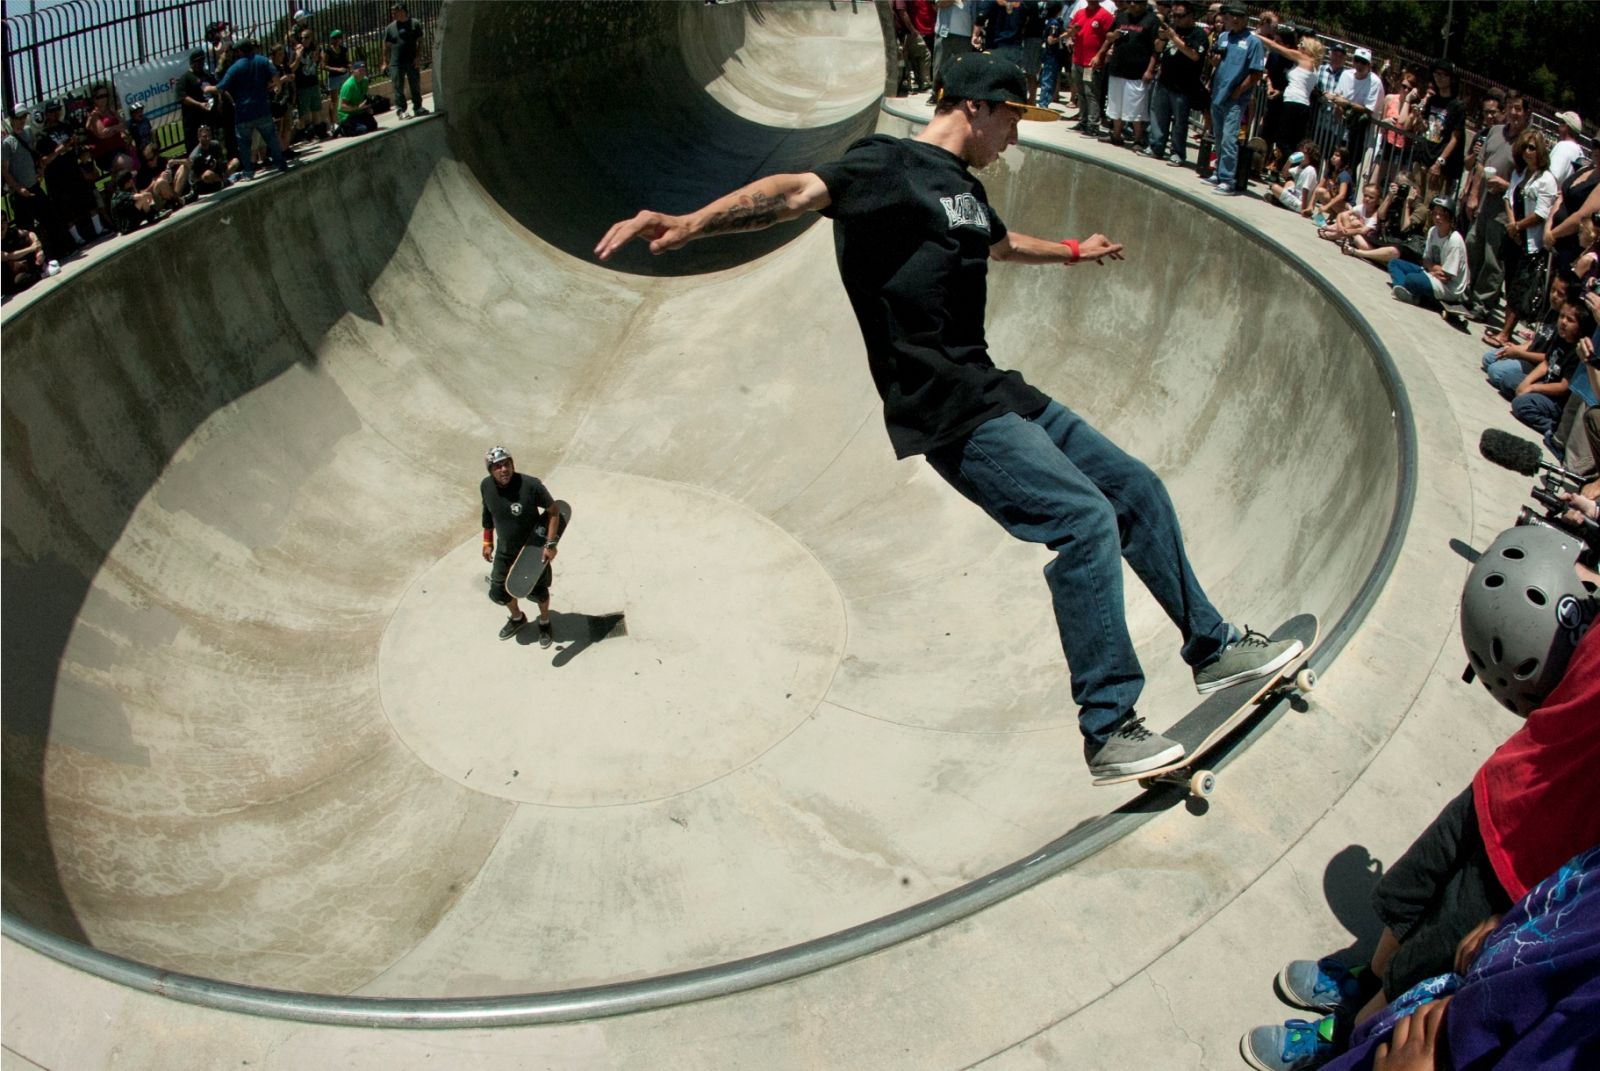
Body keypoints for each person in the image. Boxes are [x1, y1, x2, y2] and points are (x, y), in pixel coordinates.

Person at [595, 52, 1303, 779]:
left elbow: (998, 244)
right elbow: (794, 191)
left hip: (995, 388)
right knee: (1085, 520)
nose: (1014, 142)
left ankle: (1213, 649)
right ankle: (1109, 727)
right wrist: (691, 222)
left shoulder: (961, 190)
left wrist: (1070, 251)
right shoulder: (886, 165)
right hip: (949, 411)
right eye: (1012, 123)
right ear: (976, 108)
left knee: (1136, 488)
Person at [1240, 524, 1599, 1071]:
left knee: (1422, 972)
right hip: (1503, 782)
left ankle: (1347, 1036)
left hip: (1529, 858)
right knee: (1407, 898)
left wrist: (1532, 917)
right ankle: (1363, 980)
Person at [480, 446, 562, 646]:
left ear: (512, 464)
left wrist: (550, 545)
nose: (504, 470)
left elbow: (554, 512)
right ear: (491, 470)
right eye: (498, 467)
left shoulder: (530, 485)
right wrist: (487, 541)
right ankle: (518, 618)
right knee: (499, 590)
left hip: (532, 552)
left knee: (538, 592)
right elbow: (487, 514)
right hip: (505, 551)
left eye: (507, 464)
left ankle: (544, 622)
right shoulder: (486, 486)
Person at [1466, 92, 1529, 330]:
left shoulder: (1526, 141)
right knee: (1473, 245)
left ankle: (1483, 304)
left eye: (1519, 109)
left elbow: (1529, 177)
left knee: (1494, 259)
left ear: (1526, 114)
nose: (1514, 113)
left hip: (1504, 209)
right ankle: (1467, 292)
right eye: (1511, 108)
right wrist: (1473, 195)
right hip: (1483, 202)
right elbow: (1480, 165)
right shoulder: (1495, 132)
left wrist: (1506, 186)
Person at [1497, 128, 1560, 348]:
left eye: (1532, 148)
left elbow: (1542, 213)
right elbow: (1508, 197)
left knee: (1519, 287)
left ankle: (1506, 333)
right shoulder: (1519, 173)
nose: (1527, 152)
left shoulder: (1547, 180)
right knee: (1509, 280)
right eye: (1524, 147)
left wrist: (1519, 226)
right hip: (1513, 235)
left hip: (1529, 241)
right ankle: (1504, 328)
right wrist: (1513, 224)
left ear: (1540, 150)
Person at [1510, 295, 1595, 449]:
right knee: (1509, 380)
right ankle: (1529, 396)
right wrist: (1526, 382)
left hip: (1556, 400)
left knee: (1521, 405)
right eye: (1562, 316)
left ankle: (1553, 427)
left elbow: (1563, 387)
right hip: (1546, 383)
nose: (1563, 322)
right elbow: (1547, 362)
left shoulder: (1578, 351)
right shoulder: (1561, 336)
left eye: (1570, 320)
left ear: (1581, 327)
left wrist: (1532, 388)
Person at [1202, 2, 1265, 197]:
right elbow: (1217, 62)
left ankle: (1228, 180)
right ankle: (1219, 173)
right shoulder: (1223, 37)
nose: (1235, 19)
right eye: (1232, 16)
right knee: (1219, 136)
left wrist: (1239, 91)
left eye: (1240, 16)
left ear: (1246, 19)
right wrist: (1214, 62)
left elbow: (1256, 73)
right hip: (1218, 94)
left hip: (1235, 99)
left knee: (1230, 138)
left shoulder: (1254, 42)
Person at [1481, 270, 1574, 397]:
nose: (1554, 296)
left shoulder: (1564, 324)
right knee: (1488, 359)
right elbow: (1537, 340)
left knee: (1495, 372)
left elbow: (1548, 358)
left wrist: (1519, 353)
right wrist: (1515, 348)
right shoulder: (1551, 310)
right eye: (1553, 290)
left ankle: (1522, 384)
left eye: (1560, 294)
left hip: (1536, 364)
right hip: (1527, 354)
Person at [210, 38, 291, 180]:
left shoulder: (235, 67)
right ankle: (281, 164)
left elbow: (221, 87)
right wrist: (277, 86)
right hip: (262, 109)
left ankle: (248, 172)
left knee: (244, 143)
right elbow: (275, 74)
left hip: (243, 113)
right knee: (271, 137)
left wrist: (207, 88)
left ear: (240, 51)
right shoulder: (262, 60)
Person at [35, 99, 106, 248]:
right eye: (52, 111)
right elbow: (43, 161)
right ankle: (77, 239)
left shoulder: (66, 127)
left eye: (57, 110)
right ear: (47, 114)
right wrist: (58, 150)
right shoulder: (42, 136)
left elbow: (76, 145)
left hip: (73, 170)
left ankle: (99, 229)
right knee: (66, 210)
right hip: (56, 177)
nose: (56, 114)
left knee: (88, 199)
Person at [1146, 0, 1208, 165]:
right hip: (1164, 80)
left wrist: (1174, 37)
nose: (1176, 19)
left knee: (1180, 123)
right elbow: (1158, 49)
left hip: (1184, 86)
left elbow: (1194, 55)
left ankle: (1177, 153)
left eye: (1180, 16)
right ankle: (1156, 147)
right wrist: (1161, 37)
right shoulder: (1172, 30)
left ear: (1191, 16)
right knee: (1158, 116)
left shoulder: (1199, 34)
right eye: (1174, 15)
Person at [1253, 27, 1322, 172]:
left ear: (1307, 48)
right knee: (1294, 141)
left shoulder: (1303, 58)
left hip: (1293, 103)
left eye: (1301, 45)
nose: (1298, 47)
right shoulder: (1315, 65)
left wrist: (1257, 36)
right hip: (1303, 105)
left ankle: (1297, 167)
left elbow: (1275, 47)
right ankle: (1294, 169)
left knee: (1282, 139)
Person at [1094, 0, 1160, 150]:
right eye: (1129, 1)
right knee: (1115, 104)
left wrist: (1150, 70)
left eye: (1136, 2)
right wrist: (1113, 36)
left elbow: (1155, 49)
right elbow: (1109, 35)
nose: (1132, 4)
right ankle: (1116, 134)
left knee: (1136, 108)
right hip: (1118, 67)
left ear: (1143, 4)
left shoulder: (1151, 20)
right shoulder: (1121, 17)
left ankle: (1138, 139)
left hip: (1138, 71)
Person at [1410, 60, 1466, 213]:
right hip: (1425, 154)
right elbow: (1427, 129)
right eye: (1436, 74)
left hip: (1439, 161)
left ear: (1451, 78)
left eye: (1443, 75)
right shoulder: (1432, 100)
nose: (1439, 78)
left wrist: (1440, 162)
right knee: (1416, 197)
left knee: (1433, 202)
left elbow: (1455, 138)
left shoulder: (1457, 106)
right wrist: (1419, 118)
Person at [3, 104, 58, 252]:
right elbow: (5, 171)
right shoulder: (7, 143)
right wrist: (18, 188)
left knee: (49, 217)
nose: (22, 120)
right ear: (12, 120)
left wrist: (40, 169)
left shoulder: (28, 132)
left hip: (34, 185)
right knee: (26, 229)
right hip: (20, 193)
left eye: (24, 117)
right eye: (19, 118)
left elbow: (34, 153)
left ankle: (57, 250)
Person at [1068, 0, 1115, 135]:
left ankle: (1093, 124)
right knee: (1081, 93)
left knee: (1091, 93)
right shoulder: (1080, 13)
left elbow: (1109, 38)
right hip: (1077, 59)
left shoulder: (1105, 15)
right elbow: (1071, 31)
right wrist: (1072, 33)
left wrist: (1100, 55)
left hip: (1092, 62)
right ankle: (1083, 121)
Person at [383, 2, 428, 120]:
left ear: (403, 11)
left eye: (395, 12)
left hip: (412, 60)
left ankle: (418, 107)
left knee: (415, 84)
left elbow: (420, 41)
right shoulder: (390, 28)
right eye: (392, 13)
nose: (393, 15)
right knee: (398, 86)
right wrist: (384, 62)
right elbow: (386, 46)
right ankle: (401, 110)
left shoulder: (414, 23)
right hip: (396, 62)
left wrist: (418, 56)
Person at [177, 49, 216, 155]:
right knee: (194, 149)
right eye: (197, 62)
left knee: (211, 145)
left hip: (208, 117)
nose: (200, 64)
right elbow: (183, 98)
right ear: (191, 63)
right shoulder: (185, 78)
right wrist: (199, 104)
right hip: (193, 120)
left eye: (202, 61)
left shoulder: (207, 75)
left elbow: (215, 88)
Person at [1, 210, 48, 294]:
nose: (1, 226)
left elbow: (30, 233)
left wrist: (39, 250)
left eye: (3, 221)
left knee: (27, 239)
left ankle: (41, 266)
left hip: (22, 265)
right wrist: (31, 248)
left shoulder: (11, 232)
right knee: (18, 282)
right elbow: (7, 256)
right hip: (7, 276)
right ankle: (40, 273)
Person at [132, 141, 188, 211]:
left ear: (156, 155)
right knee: (160, 182)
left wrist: (175, 161)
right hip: (157, 199)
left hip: (171, 191)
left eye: (151, 159)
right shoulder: (142, 172)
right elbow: (141, 194)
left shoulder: (162, 161)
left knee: (183, 167)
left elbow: (189, 163)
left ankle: (176, 199)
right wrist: (155, 181)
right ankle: (179, 200)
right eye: (146, 160)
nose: (149, 162)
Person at [186, 124, 237, 193]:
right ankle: (223, 183)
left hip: (217, 175)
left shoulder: (215, 145)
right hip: (202, 183)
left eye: (209, 136)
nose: (208, 138)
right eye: (205, 136)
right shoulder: (195, 155)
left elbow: (221, 162)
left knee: (235, 161)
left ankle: (223, 181)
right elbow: (193, 178)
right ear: (199, 137)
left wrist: (221, 174)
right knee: (208, 174)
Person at [336, 60, 377, 136]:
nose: (362, 72)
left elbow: (364, 96)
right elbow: (342, 106)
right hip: (348, 115)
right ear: (353, 71)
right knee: (361, 129)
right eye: (360, 70)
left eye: (364, 70)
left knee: (373, 126)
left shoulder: (365, 81)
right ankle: (343, 129)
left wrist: (368, 107)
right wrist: (357, 107)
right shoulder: (348, 85)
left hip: (359, 112)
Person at [1311, 146, 1353, 218]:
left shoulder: (1344, 175)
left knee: (1322, 192)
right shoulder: (1330, 172)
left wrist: (1326, 206)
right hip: (1336, 203)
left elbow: (1342, 195)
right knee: (1319, 191)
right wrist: (1311, 206)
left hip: (1347, 206)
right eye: (1333, 155)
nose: (1334, 157)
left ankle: (1336, 215)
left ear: (1343, 159)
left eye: (1337, 155)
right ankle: (1332, 214)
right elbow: (1318, 187)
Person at [1548, 110, 1586, 188]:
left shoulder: (1563, 147)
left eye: (1561, 122)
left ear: (1566, 127)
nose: (1558, 125)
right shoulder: (1581, 153)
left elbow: (1551, 178)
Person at [322, 29, 352, 129]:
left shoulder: (344, 50)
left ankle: (348, 117)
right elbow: (323, 66)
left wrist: (350, 66)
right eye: (334, 39)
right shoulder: (328, 51)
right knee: (333, 100)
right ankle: (333, 122)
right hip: (334, 77)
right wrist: (337, 69)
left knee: (346, 97)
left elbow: (347, 61)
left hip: (344, 75)